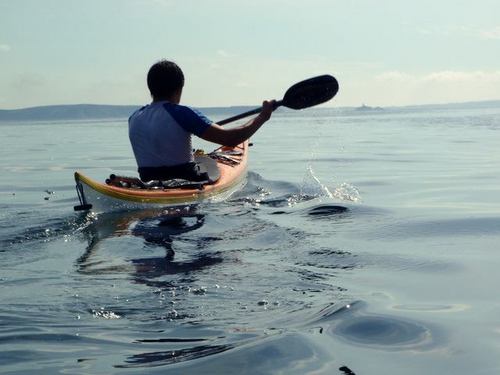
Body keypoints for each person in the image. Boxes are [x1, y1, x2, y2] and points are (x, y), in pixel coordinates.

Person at [129, 59, 275, 182]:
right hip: (186, 181)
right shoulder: (182, 113)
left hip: (148, 181)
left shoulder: (134, 118)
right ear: (179, 88)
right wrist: (262, 117)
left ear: (150, 88)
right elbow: (232, 139)